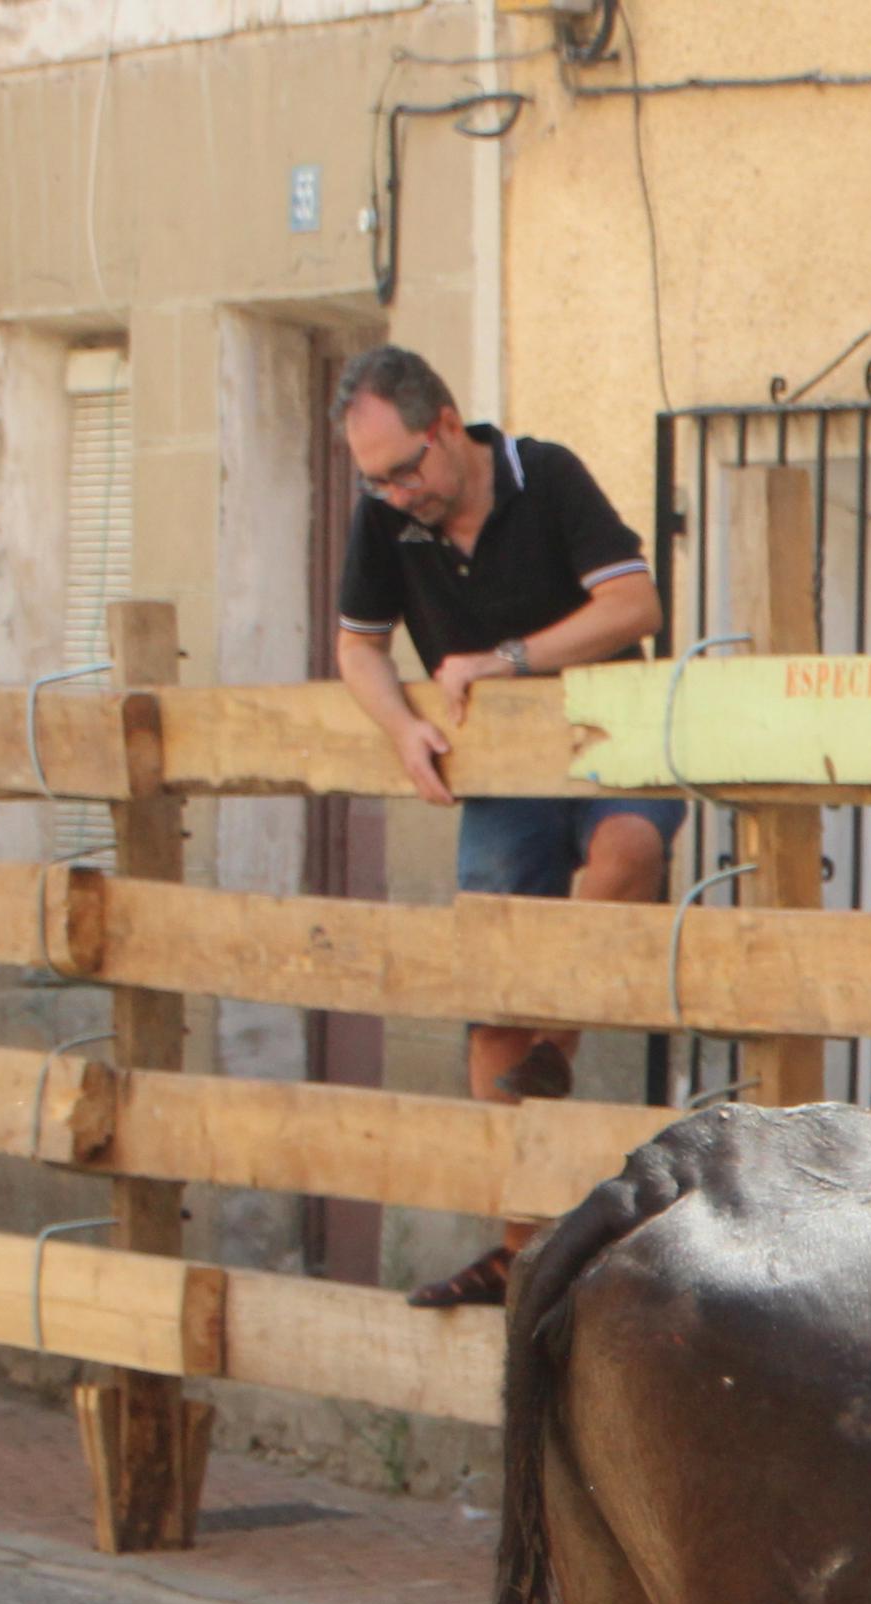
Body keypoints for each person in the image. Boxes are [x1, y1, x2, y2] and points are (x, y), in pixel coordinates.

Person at [329, 344, 683, 1310]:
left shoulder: (549, 474)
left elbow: (634, 603)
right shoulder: (383, 518)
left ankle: (556, 1047)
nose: (398, 493)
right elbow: (357, 646)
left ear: (447, 424)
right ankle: (520, 1253)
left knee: (629, 854)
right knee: (493, 987)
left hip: (616, 743)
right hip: (500, 775)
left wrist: (508, 659)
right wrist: (401, 727)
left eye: (408, 468)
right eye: (376, 479)